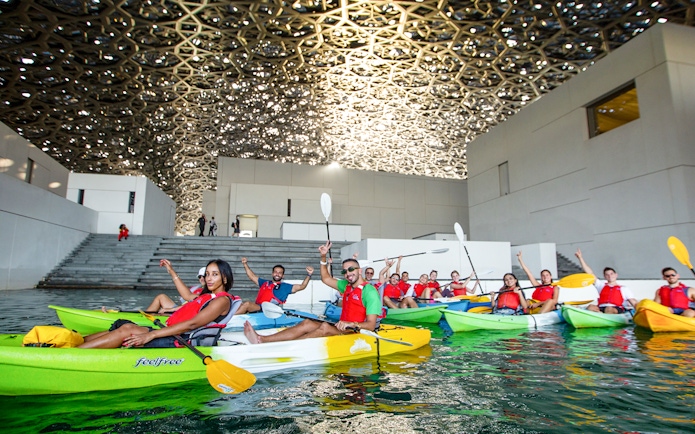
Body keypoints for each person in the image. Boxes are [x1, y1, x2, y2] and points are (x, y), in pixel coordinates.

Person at [80, 259, 239, 348]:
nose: (209, 278)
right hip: (171, 332)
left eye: (215, 275)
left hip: (180, 340)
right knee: (123, 325)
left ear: (225, 278)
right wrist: (172, 272)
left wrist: (151, 335)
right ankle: (75, 341)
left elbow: (192, 324)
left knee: (127, 331)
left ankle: (73, 352)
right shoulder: (208, 296)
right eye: (208, 274)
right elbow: (187, 295)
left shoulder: (221, 301)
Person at [243, 241, 380, 344]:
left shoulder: (369, 292)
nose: (348, 274)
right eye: (344, 271)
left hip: (355, 333)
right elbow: (326, 278)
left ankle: (287, 347)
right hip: (341, 328)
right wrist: (323, 257)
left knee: (325, 326)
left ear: (359, 270)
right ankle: (262, 339)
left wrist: (351, 324)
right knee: (308, 322)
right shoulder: (346, 286)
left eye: (351, 269)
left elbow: (371, 325)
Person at [235, 258, 314, 314]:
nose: (277, 274)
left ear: (283, 276)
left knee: (247, 304)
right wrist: (245, 264)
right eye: (275, 272)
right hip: (258, 308)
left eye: (280, 273)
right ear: (272, 274)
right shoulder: (264, 283)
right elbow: (252, 276)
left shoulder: (285, 287)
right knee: (239, 304)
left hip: (269, 311)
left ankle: (230, 318)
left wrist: (309, 274)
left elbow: (302, 286)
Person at [575, 249, 637, 314]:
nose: (609, 276)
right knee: (590, 307)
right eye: (607, 275)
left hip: (616, 308)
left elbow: (634, 302)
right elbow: (590, 273)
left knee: (609, 309)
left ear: (616, 275)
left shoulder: (624, 289)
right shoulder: (600, 285)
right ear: (605, 277)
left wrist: (640, 309)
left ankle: (602, 315)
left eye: (611, 274)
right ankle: (599, 314)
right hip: (601, 308)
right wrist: (580, 258)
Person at [138, 261, 207, 314]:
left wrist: (171, 310)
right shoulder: (195, 289)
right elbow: (187, 297)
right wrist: (171, 270)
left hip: (186, 313)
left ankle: (146, 317)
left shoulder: (208, 293)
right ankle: (146, 315)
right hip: (182, 309)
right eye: (199, 277)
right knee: (161, 297)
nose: (201, 278)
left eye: (203, 276)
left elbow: (191, 305)